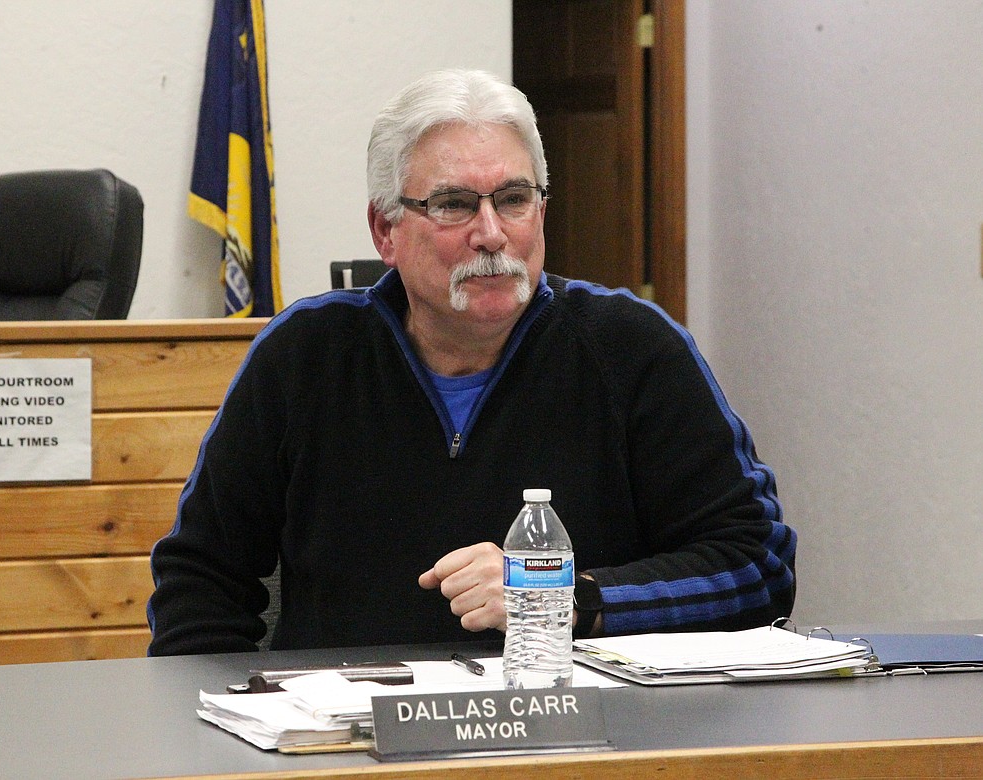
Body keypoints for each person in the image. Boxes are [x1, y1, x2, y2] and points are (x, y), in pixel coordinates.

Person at [147, 69, 796, 655]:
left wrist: (567, 600)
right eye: (455, 205)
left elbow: (757, 566)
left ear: (541, 209)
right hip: (346, 745)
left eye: (513, 199)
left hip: (579, 737)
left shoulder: (632, 349)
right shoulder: (304, 357)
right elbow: (199, 584)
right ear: (385, 231)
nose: (491, 233)